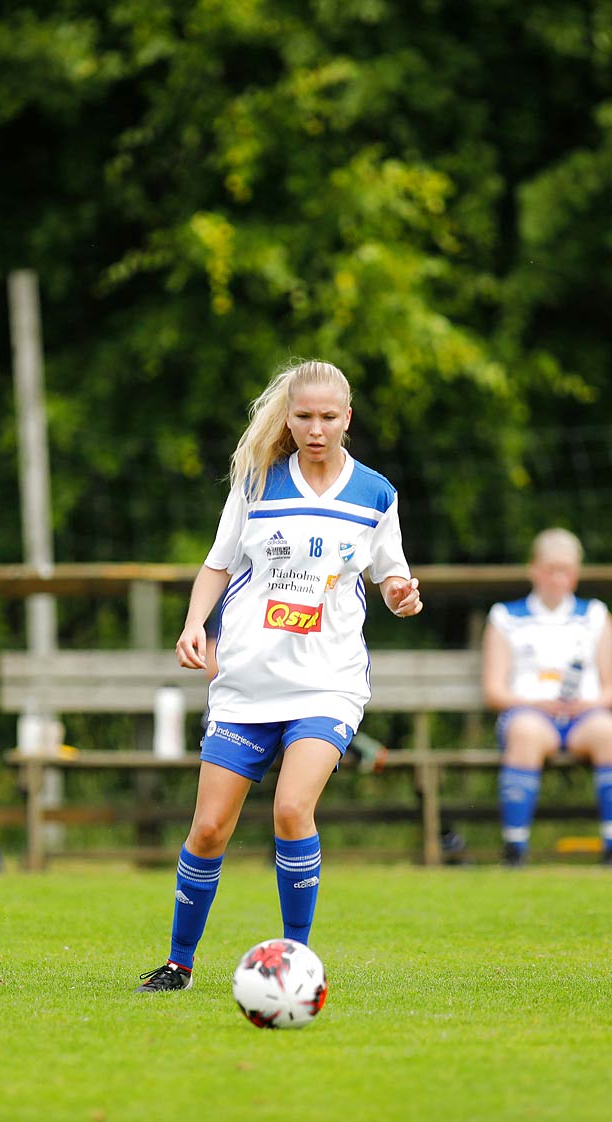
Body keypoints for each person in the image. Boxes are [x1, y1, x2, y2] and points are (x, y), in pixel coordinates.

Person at [135, 360, 423, 992]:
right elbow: (216, 565)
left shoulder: (375, 494)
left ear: (348, 419)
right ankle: (179, 963)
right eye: (303, 417)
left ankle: (296, 963)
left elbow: (391, 573)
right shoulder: (256, 485)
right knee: (209, 828)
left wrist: (401, 594)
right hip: (244, 686)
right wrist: (193, 624)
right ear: (288, 418)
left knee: (293, 809)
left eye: (328, 417)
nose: (315, 429)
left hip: (328, 685)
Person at [481, 529, 612, 868]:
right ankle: (515, 850)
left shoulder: (596, 615)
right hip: (529, 714)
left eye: (566, 569)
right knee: (525, 733)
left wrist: (588, 704)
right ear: (533, 570)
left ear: (577, 573)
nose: (558, 577)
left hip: (583, 716)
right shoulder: (505, 617)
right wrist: (535, 704)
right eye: (550, 568)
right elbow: (494, 690)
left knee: (611, 731)